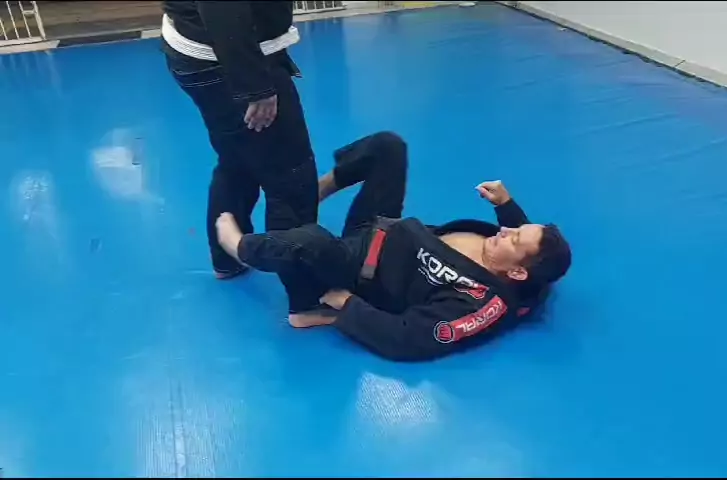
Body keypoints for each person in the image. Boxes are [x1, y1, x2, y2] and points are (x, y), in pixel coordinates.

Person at [215, 132, 573, 362]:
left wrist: (348, 305)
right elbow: (532, 255)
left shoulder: (482, 304)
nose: (506, 230)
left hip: (360, 270)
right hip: (381, 228)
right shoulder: (523, 266)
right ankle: (321, 189)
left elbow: (408, 339)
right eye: (514, 228)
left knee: (311, 240)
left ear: (517, 272)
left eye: (514, 236)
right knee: (389, 147)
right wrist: (506, 205)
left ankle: (241, 248)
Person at [160, 1, 319, 288]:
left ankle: (227, 258)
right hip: (224, 60)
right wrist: (255, 86)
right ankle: (304, 291)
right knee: (291, 173)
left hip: (201, 51)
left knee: (237, 160)